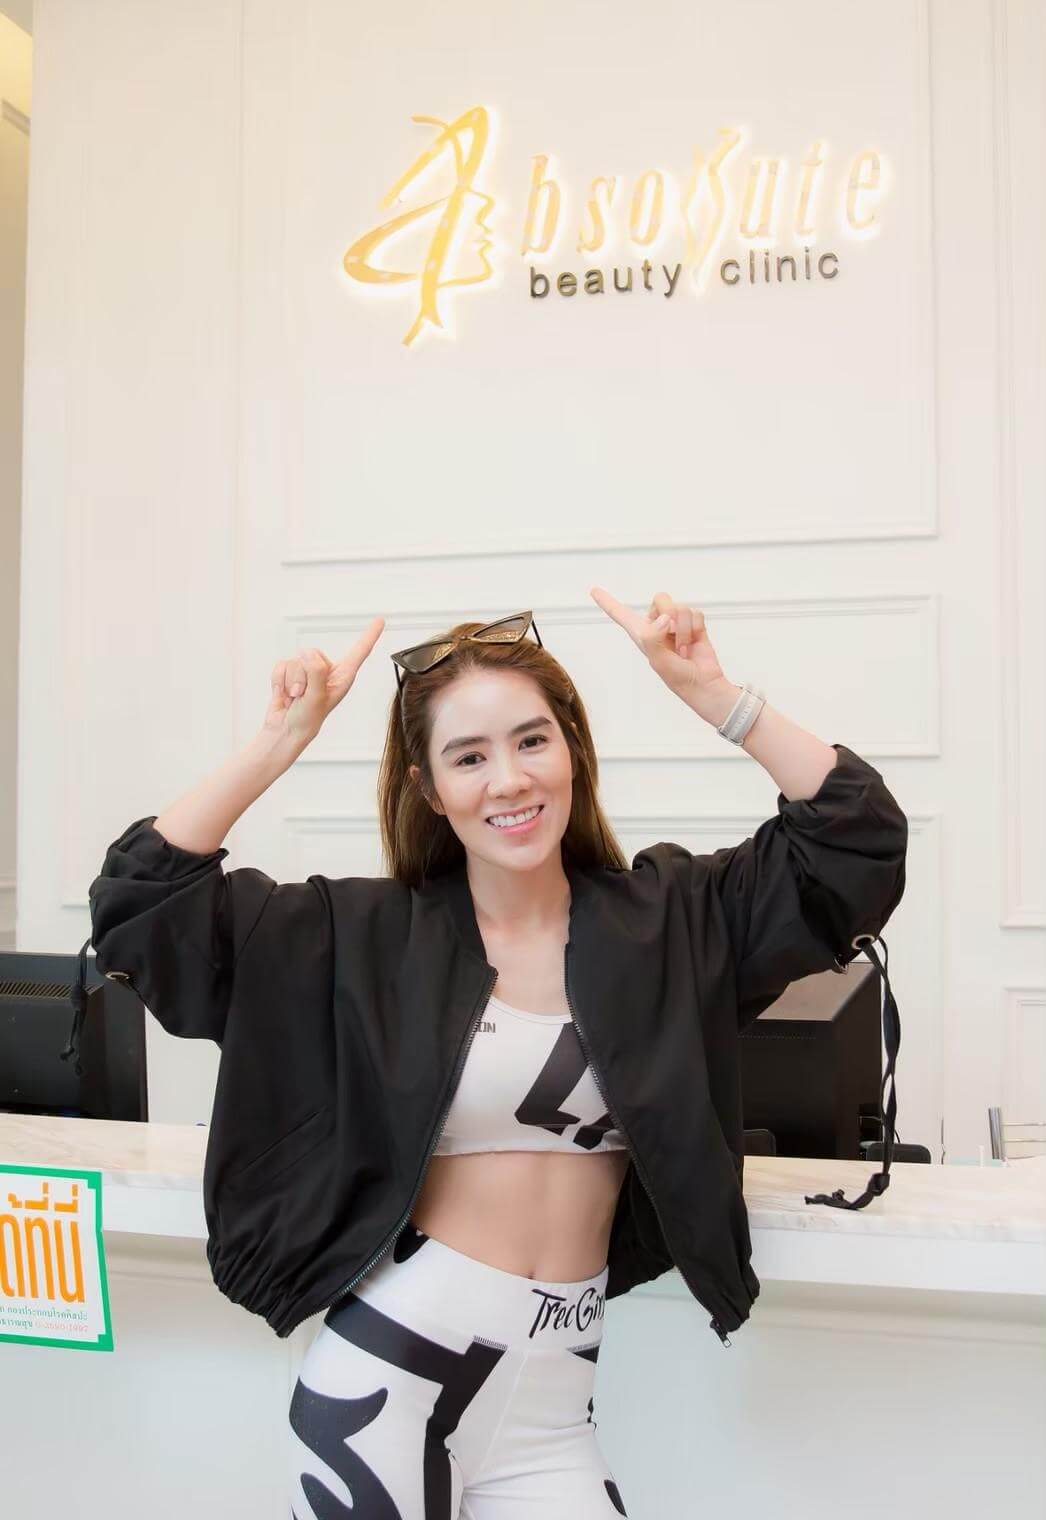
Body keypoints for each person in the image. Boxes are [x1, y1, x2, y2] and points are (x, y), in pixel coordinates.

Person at [70, 589, 908, 1519]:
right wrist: (279, 742)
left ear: (571, 750)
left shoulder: (673, 923)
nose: (508, 780)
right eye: (468, 756)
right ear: (430, 789)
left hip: (556, 1409)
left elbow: (856, 845)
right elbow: (143, 909)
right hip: (386, 1386)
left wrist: (716, 697)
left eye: (531, 740)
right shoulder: (363, 938)